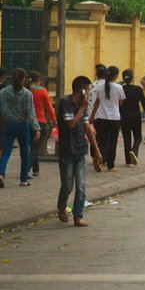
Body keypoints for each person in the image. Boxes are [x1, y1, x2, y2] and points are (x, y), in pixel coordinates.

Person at [56, 74, 99, 225]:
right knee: (67, 185)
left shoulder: (82, 105)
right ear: (81, 91)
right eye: (87, 90)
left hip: (81, 150)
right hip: (67, 151)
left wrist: (96, 150)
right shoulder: (65, 103)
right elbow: (71, 123)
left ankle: (78, 215)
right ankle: (61, 206)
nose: (89, 94)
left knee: (81, 186)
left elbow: (87, 127)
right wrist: (82, 108)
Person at [0, 67, 39, 188]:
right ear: (23, 79)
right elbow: (30, 113)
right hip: (22, 125)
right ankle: (23, 179)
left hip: (7, 125)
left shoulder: (3, 92)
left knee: (5, 152)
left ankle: (1, 174)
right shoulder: (27, 94)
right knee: (25, 153)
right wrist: (36, 128)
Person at [89, 64, 124, 171]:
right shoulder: (119, 87)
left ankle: (101, 161)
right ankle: (111, 165)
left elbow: (96, 103)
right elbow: (121, 102)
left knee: (103, 142)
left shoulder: (99, 87)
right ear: (116, 76)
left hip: (101, 117)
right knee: (113, 143)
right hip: (115, 118)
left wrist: (92, 117)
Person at [29, 70, 54, 177]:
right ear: (38, 80)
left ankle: (36, 169)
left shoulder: (27, 90)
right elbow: (49, 107)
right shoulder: (42, 91)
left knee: (32, 146)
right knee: (35, 148)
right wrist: (53, 119)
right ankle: (27, 168)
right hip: (40, 122)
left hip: (28, 122)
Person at [118, 68, 145, 166]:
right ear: (133, 78)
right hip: (136, 116)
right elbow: (144, 103)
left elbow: (118, 104)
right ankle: (134, 151)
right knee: (138, 137)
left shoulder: (120, 89)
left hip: (124, 117)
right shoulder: (138, 89)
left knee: (127, 138)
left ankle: (128, 162)